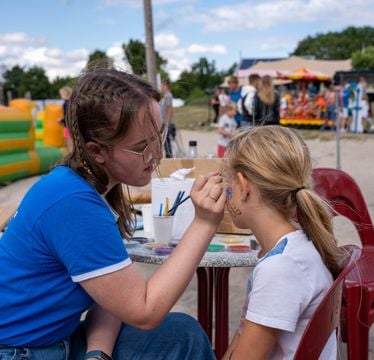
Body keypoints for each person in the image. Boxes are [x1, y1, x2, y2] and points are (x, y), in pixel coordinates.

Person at [0, 68, 225, 359]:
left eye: (158, 136)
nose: (156, 154)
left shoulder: (84, 187)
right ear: (97, 151)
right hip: (20, 351)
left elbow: (110, 293)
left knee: (182, 333)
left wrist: (98, 353)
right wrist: (204, 222)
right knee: (179, 334)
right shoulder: (73, 203)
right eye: (142, 146)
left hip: (52, 342)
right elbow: (144, 310)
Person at [221, 126, 343, 360]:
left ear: (243, 186)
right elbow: (243, 335)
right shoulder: (299, 246)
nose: (226, 194)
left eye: (228, 185)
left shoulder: (280, 268)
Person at [160, 78, 175, 157]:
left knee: (167, 142)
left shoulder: (168, 95)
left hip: (167, 123)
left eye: (162, 85)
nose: (161, 87)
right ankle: (168, 156)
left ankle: (169, 157)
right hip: (164, 122)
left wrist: (167, 122)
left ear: (166, 85)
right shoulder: (164, 96)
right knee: (165, 142)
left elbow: (170, 109)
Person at [58, 85, 73, 151]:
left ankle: (72, 156)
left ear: (65, 94)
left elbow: (67, 116)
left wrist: (61, 121)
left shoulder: (65, 104)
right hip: (72, 125)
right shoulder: (73, 102)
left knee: (69, 142)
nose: (61, 96)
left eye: (61, 94)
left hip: (68, 126)